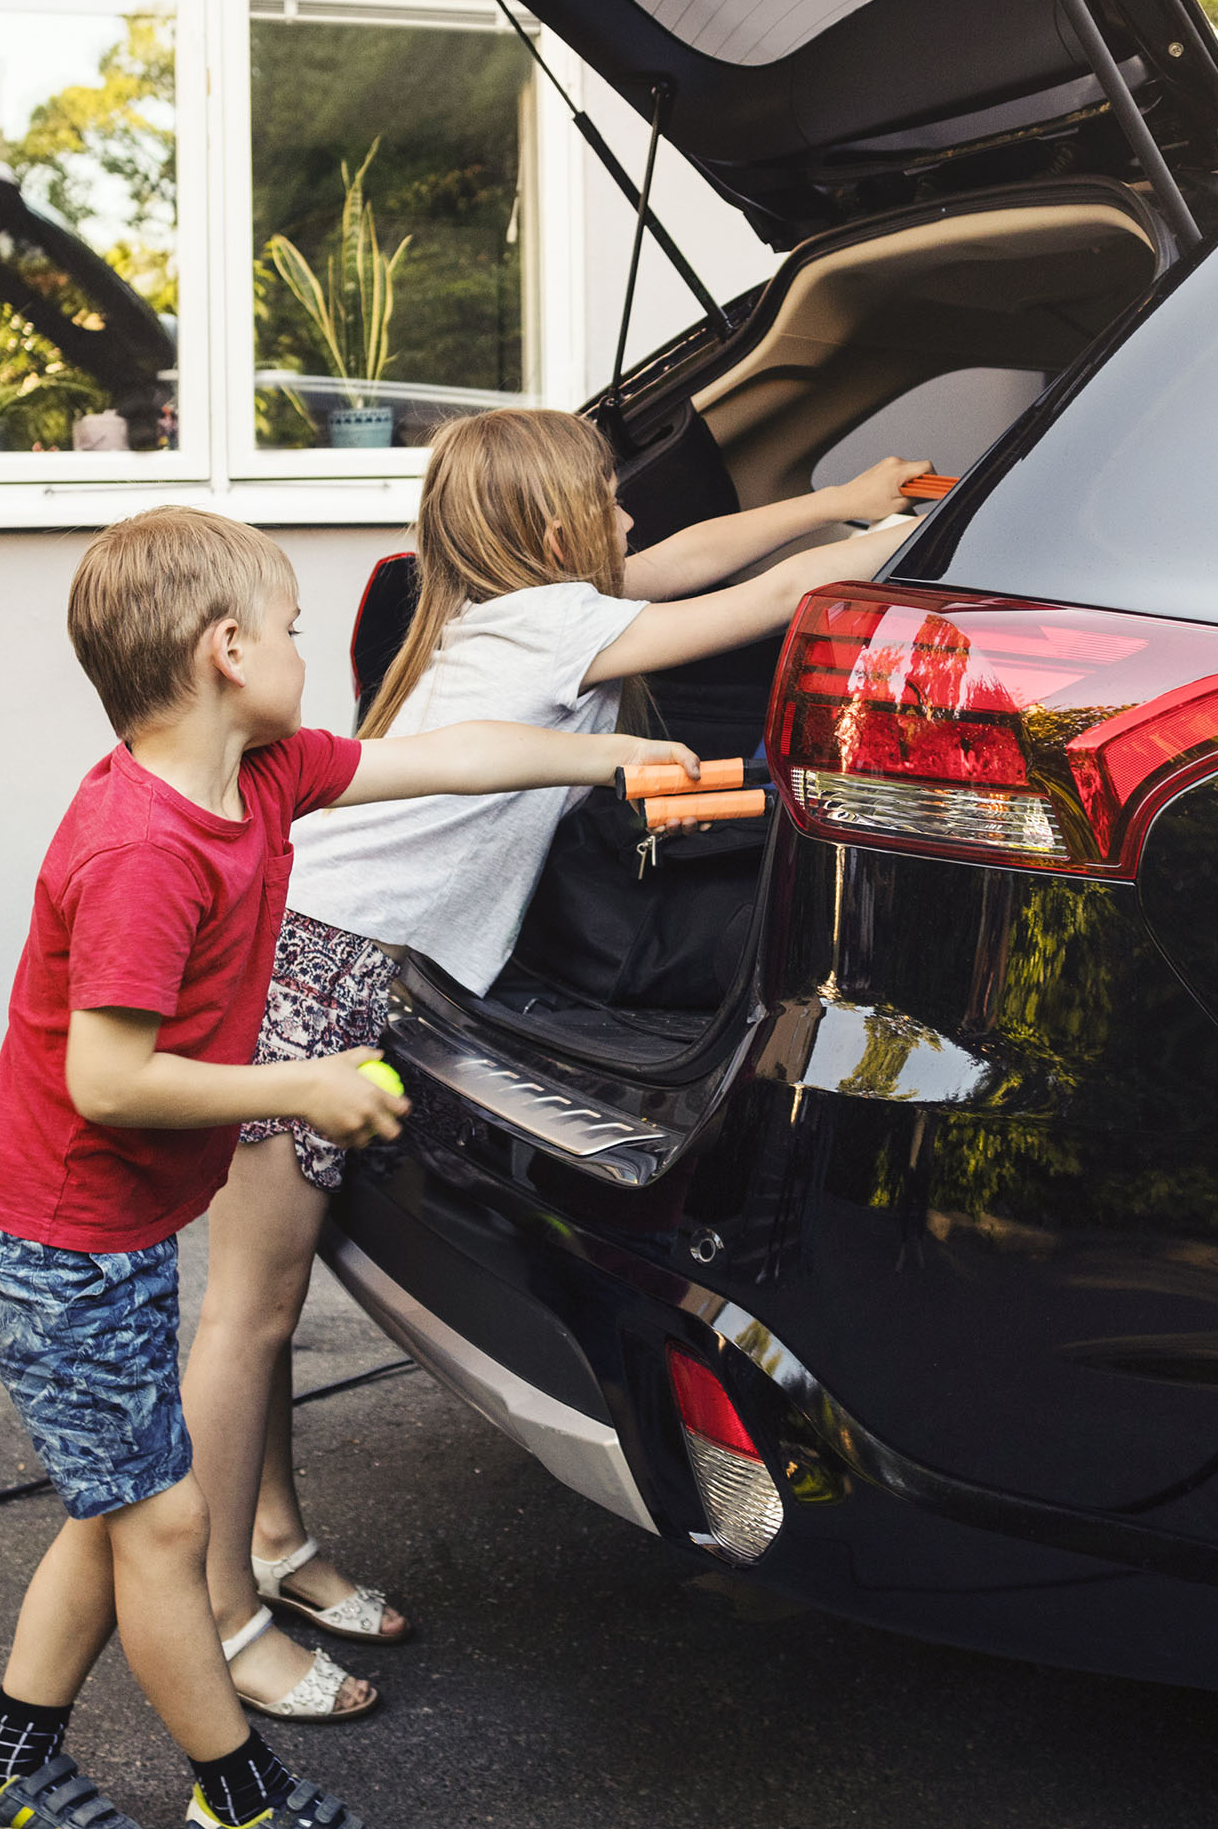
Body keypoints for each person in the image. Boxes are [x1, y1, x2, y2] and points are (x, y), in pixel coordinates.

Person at [0, 504, 694, 1829]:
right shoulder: (144, 849)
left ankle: (10, 1764)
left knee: (117, 1513)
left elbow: (448, 757)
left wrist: (607, 755)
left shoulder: (265, 776)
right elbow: (108, 1081)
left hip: (93, 1241)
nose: (305, 648)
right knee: (161, 1527)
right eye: (290, 629)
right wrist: (300, 1087)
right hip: (50, 1247)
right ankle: (240, 1804)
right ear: (226, 652)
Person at [185, 408, 922, 1720]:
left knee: (271, 1304)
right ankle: (222, 1620)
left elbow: (696, 557)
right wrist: (919, 535)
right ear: (547, 527)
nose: (631, 520)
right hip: (307, 972)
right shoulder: (547, 626)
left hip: (324, 962)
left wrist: (835, 494)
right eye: (608, 501)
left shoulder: (506, 605)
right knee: (247, 1313)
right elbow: (765, 596)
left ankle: (275, 1544)